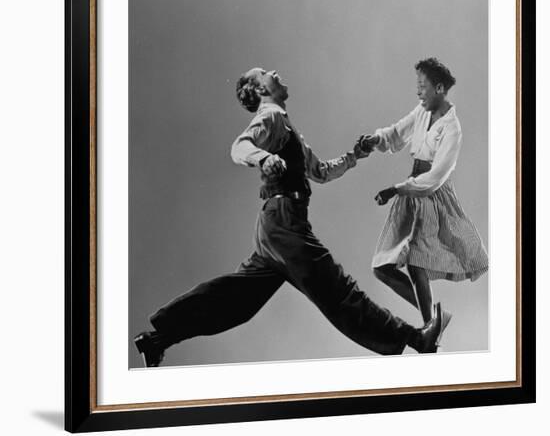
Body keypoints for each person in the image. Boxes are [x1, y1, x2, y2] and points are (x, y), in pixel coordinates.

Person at [134, 67, 444, 367]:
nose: (275, 72)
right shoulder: (269, 118)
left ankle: (157, 340)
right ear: (260, 89)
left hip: (274, 227)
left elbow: (320, 171)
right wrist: (265, 158)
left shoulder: (285, 126)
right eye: (266, 72)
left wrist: (354, 156)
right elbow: (239, 147)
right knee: (336, 289)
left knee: (236, 302)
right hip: (284, 222)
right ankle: (417, 339)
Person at [359, 58, 488, 341]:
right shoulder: (421, 111)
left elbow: (435, 178)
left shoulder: (452, 128)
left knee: (417, 263)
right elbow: (396, 134)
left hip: (431, 196)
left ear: (439, 88)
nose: (418, 93)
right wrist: (374, 141)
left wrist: (395, 189)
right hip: (410, 191)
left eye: (422, 87)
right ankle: (435, 320)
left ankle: (432, 325)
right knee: (382, 267)